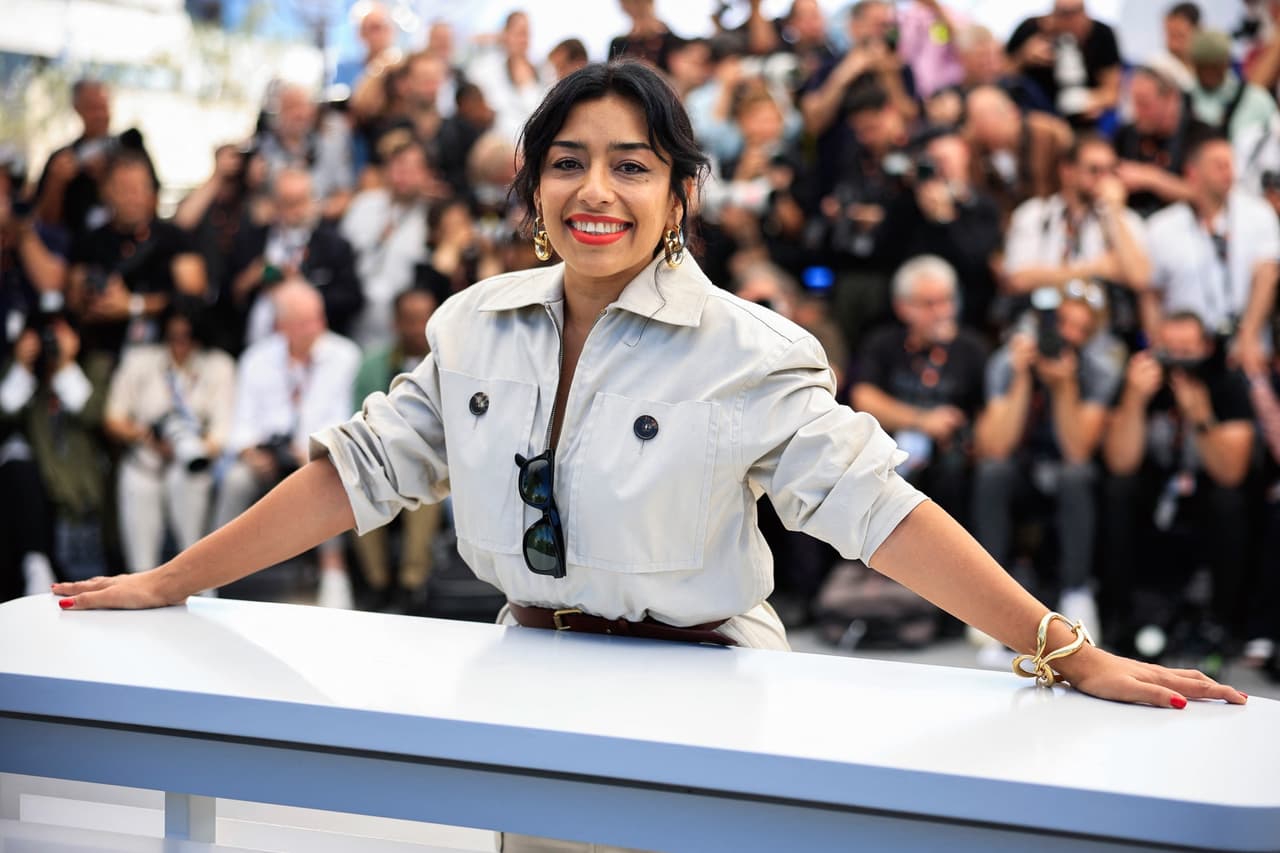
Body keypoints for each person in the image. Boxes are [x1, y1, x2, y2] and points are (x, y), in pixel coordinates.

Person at [51, 63, 1245, 849]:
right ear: (533, 187)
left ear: (680, 192)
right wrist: (172, 582)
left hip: (709, 699)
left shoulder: (747, 348)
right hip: (528, 683)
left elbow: (879, 511)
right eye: (568, 159)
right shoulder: (475, 322)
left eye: (631, 164)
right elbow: (357, 471)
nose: (595, 189)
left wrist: (1060, 648)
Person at [970, 284, 1125, 653]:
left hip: (1068, 473)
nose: (1068, 336)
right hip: (1022, 468)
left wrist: (1065, 386)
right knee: (992, 472)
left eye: (1081, 329)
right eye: (1062, 324)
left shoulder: (1098, 369)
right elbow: (995, 446)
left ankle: (1076, 592)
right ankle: (990, 596)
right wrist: (1022, 378)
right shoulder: (1006, 362)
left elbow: (1077, 450)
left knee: (1076, 476)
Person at [1101, 312, 1254, 656]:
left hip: (1205, 494)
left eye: (1188, 350)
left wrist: (1201, 418)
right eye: (1170, 350)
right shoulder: (1139, 382)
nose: (1179, 361)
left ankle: (1222, 623)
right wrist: (1134, 400)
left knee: (1230, 502)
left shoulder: (1226, 382)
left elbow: (1231, 472)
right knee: (1117, 490)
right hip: (1153, 492)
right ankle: (1119, 616)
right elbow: (1120, 462)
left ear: (1207, 348)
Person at [212, 279, 361, 609]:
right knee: (235, 480)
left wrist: (310, 447)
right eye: (306, 322)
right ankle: (210, 573)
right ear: (282, 326)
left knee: (328, 476)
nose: (317, 327)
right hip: (264, 455)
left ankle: (334, 573)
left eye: (318, 317)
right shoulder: (256, 359)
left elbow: (347, 416)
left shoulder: (344, 355)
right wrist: (251, 452)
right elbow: (242, 424)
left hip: (316, 452)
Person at [851, 255, 987, 525]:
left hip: (950, 459)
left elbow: (986, 409)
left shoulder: (972, 348)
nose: (942, 311)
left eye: (947, 300)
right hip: (889, 449)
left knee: (956, 472)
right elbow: (863, 397)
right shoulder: (883, 343)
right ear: (903, 307)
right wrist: (922, 421)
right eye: (929, 304)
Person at [103, 304, 235, 576]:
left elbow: (222, 431)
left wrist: (190, 446)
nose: (180, 345)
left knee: (195, 545)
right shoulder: (139, 360)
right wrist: (144, 435)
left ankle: (202, 584)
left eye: (187, 337)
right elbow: (113, 417)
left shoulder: (219, 365)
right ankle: (139, 592)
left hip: (192, 463)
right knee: (140, 562)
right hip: (144, 460)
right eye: (173, 337)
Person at [1146, 135, 1279, 378]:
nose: (1227, 171)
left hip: (1244, 344)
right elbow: (1151, 294)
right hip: (1184, 349)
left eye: (1230, 163)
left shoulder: (1258, 214)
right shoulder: (1161, 226)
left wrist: (1249, 334)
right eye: (1218, 165)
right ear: (1193, 172)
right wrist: (1159, 344)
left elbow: (1267, 274)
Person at [1001, 134, 1151, 342]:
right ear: (1067, 171)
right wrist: (1094, 268)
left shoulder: (1124, 220)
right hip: (1042, 320)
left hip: (1100, 328)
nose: (1104, 180)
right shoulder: (1035, 213)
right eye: (1094, 170)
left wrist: (1114, 211)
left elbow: (1140, 277)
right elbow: (1017, 279)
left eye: (1110, 171)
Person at [350, 287, 444, 612]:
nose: (418, 327)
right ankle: (376, 584)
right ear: (395, 323)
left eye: (425, 319)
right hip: (384, 457)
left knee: (427, 492)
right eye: (410, 319)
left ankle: (410, 584)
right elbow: (358, 416)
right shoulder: (373, 363)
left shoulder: (452, 360)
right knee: (355, 484)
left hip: (439, 463)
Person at [66, 151, 207, 359]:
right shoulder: (89, 242)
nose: (133, 197)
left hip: (163, 355)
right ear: (106, 191)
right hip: (104, 354)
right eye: (124, 189)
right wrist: (97, 302)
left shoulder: (175, 239)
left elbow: (195, 299)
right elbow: (73, 302)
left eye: (140, 188)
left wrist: (134, 305)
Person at [224, 167, 363, 353]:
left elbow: (351, 298)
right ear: (274, 204)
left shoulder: (333, 245)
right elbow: (224, 297)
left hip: (312, 350)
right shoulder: (250, 241)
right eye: (289, 202)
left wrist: (303, 289)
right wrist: (249, 279)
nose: (297, 210)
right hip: (254, 347)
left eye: (302, 200)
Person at [339, 135, 432, 350]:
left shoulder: (432, 219)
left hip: (405, 334)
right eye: (396, 167)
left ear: (426, 173)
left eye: (410, 168)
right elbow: (342, 259)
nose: (402, 176)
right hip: (355, 323)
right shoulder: (363, 205)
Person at [1112, 66, 1211, 218]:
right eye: (1135, 103)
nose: (1137, 112)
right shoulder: (1126, 135)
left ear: (1171, 99)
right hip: (1133, 222)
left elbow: (1204, 194)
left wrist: (1150, 178)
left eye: (1144, 104)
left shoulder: (1201, 136)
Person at [1005, 0, 1121, 129]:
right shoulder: (1031, 30)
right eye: (1063, 14)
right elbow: (1001, 76)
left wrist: (1091, 102)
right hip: (1036, 118)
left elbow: (1112, 91)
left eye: (1075, 13)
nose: (1070, 21)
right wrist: (1023, 56)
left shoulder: (1101, 34)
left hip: (1083, 122)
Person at [1188, 30, 1277, 146]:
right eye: (1203, 66)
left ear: (1226, 62)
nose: (1208, 72)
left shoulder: (1256, 99)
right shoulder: (1182, 101)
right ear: (1194, 65)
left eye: (1215, 65)